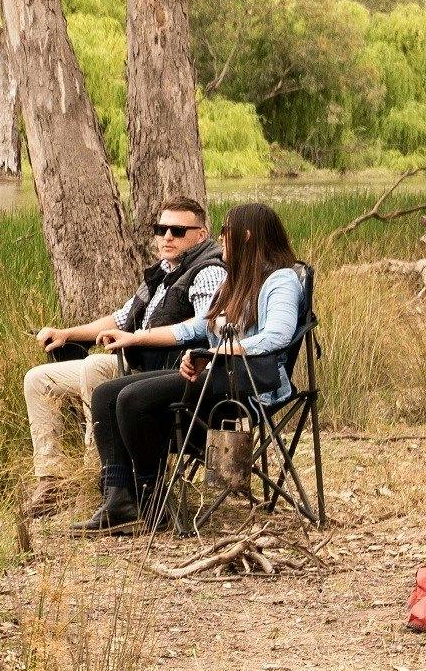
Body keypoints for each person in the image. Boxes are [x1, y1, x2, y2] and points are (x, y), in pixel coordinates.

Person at [88, 200, 310, 530]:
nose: (221, 241)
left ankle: (151, 502)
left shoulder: (281, 280)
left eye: (225, 233)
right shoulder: (237, 280)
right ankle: (119, 498)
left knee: (133, 400)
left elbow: (276, 337)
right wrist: (136, 337)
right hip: (217, 374)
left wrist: (216, 355)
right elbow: (197, 327)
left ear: (245, 236)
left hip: (250, 384)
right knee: (105, 394)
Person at [24, 199, 219, 515]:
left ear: (200, 234)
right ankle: (52, 481)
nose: (167, 237)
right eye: (161, 229)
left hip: (166, 372)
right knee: (38, 379)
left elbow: (205, 324)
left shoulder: (207, 271)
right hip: (131, 366)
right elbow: (120, 318)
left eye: (178, 230)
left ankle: (97, 477)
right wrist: (66, 333)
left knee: (93, 366)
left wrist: (139, 338)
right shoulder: (161, 273)